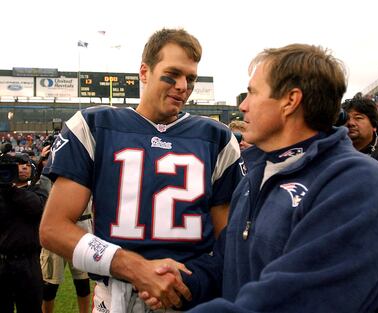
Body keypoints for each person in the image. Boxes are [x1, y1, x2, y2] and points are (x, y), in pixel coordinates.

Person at [141, 44, 378, 312]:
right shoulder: (255, 176)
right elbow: (228, 262)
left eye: (252, 93)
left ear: (290, 100)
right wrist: (185, 282)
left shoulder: (356, 182)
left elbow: (300, 298)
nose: (243, 106)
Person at [39, 27, 243, 313]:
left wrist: (189, 281)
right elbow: (52, 229)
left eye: (191, 78)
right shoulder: (94, 126)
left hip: (191, 298)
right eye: (173, 73)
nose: (183, 85)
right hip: (116, 298)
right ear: (144, 72)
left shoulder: (216, 138)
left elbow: (229, 243)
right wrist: (135, 268)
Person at [38, 144, 92, 313]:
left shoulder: (86, 168)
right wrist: (41, 161)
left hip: (82, 228)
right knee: (49, 285)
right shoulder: (48, 173)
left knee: (83, 283)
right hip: (56, 228)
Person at [0, 151, 48, 313]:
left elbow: (36, 207)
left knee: (31, 308)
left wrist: (10, 190)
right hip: (2, 262)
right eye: (18, 165)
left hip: (27, 262)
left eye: (27, 165)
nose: (23, 168)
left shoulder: (38, 190)